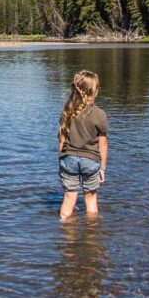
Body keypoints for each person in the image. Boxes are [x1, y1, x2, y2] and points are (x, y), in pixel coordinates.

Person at [57, 70, 108, 219]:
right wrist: (103, 168)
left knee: (68, 199)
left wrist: (60, 160)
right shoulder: (100, 114)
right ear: (95, 92)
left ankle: (66, 233)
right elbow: (103, 144)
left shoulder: (67, 111)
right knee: (91, 199)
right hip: (91, 161)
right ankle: (91, 236)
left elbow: (61, 139)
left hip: (68, 159)